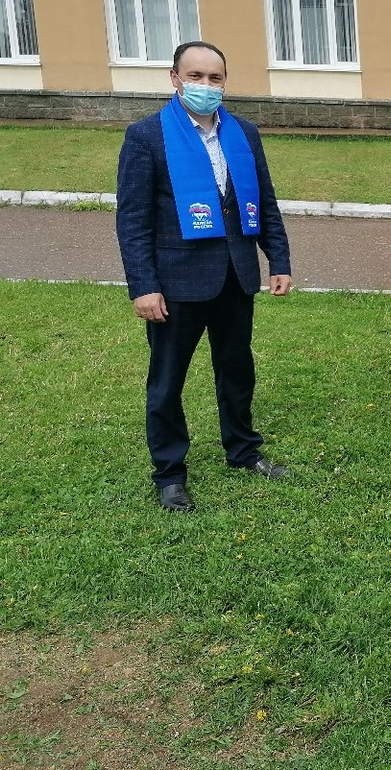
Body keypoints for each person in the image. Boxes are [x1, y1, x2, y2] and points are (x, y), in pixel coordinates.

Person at [116, 41, 292, 513]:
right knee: (167, 382)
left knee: (236, 369)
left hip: (235, 276)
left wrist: (279, 260)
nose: (206, 85)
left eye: (215, 78)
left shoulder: (244, 133)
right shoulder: (146, 136)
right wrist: (144, 286)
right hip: (176, 283)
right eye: (196, 76)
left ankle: (243, 450)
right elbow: (133, 220)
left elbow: (265, 202)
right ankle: (170, 473)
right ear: (175, 78)